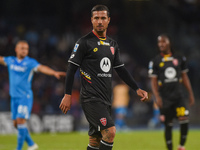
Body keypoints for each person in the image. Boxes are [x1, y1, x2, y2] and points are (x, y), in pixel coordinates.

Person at [59, 5, 148, 150]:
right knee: (110, 132)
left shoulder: (112, 44)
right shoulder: (84, 42)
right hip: (91, 98)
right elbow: (71, 69)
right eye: (96, 18)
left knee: (95, 140)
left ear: (108, 20)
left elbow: (121, 69)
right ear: (91, 20)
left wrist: (136, 88)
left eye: (103, 18)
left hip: (106, 98)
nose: (100, 21)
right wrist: (67, 94)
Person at [0, 40, 66, 150]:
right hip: (14, 97)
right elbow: (1, 59)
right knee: (16, 124)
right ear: (16, 49)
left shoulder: (30, 62)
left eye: (26, 49)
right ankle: (31, 144)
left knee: (21, 121)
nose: (24, 50)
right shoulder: (10, 60)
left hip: (24, 97)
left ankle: (19, 148)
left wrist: (53, 73)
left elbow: (42, 68)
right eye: (22, 48)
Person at [148, 34, 195, 150]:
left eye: (163, 42)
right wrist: (157, 97)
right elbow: (153, 82)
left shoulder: (179, 58)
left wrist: (190, 93)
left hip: (179, 97)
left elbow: (185, 77)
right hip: (165, 98)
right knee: (168, 125)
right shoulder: (155, 61)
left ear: (169, 43)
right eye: (159, 42)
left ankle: (181, 146)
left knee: (184, 119)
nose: (161, 44)